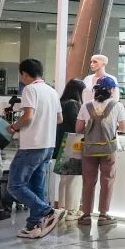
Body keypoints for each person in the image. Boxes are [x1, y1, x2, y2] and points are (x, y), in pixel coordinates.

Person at [5, 59, 65, 239]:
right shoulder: (52, 91)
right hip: (48, 145)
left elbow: (28, 117)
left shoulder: (30, 89)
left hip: (32, 145)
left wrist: (13, 127)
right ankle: (34, 225)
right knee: (37, 186)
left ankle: (48, 211)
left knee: (15, 185)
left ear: (24, 74)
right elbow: (59, 119)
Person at [76, 76, 125, 226]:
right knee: (107, 180)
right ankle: (103, 215)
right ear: (112, 90)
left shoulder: (86, 106)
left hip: (89, 148)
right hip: (108, 148)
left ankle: (86, 215)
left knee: (88, 181)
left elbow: (78, 128)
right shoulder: (117, 106)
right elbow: (123, 127)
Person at [53, 78, 86, 220]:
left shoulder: (61, 102)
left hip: (61, 142)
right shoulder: (73, 104)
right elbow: (77, 126)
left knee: (64, 179)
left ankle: (62, 208)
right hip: (73, 143)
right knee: (73, 179)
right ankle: (71, 210)